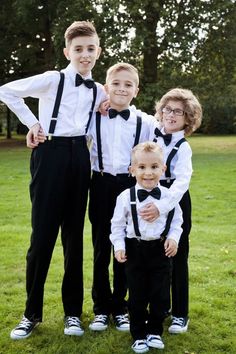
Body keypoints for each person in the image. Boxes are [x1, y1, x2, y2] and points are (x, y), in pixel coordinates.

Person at [0, 20, 106, 340]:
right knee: (42, 238)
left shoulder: (99, 89)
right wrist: (33, 124)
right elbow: (6, 90)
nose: (85, 55)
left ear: (98, 51)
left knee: (74, 239)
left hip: (80, 157)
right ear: (67, 51)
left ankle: (73, 313)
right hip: (49, 154)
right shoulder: (51, 79)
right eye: (78, 50)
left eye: (90, 49)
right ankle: (31, 314)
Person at [87, 63, 158, 332]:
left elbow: (163, 145)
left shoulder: (146, 122)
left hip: (130, 187)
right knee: (101, 247)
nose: (121, 88)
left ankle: (121, 307)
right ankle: (101, 308)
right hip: (101, 183)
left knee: (126, 247)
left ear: (136, 91)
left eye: (128, 84)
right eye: (116, 83)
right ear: (106, 87)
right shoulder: (92, 116)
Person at [110, 141, 183, 353]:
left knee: (160, 295)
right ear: (132, 170)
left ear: (163, 169)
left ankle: (154, 331)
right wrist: (119, 246)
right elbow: (117, 225)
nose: (148, 173)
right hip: (135, 250)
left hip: (161, 251)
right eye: (141, 167)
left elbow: (177, 222)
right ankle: (139, 334)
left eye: (154, 167)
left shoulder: (169, 197)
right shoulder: (125, 197)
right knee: (137, 296)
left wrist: (174, 238)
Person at [151, 88, 202, 334]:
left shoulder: (183, 147)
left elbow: (182, 182)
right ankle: (160, 308)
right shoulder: (152, 132)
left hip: (176, 200)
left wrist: (163, 205)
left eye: (178, 112)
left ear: (187, 118)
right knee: (156, 256)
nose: (170, 115)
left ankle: (181, 314)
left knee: (177, 257)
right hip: (151, 196)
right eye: (167, 109)